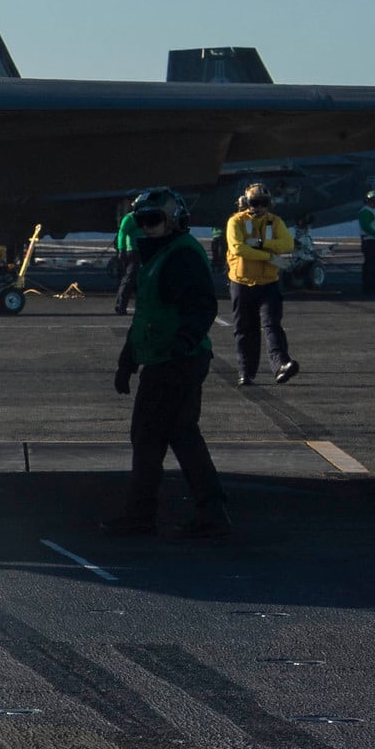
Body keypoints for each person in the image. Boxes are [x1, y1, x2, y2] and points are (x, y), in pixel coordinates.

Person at [102, 189, 229, 539]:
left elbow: (202, 305)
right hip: (166, 359)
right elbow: (147, 314)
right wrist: (127, 361)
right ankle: (211, 511)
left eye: (154, 220)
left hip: (175, 361)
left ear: (174, 220)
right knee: (178, 435)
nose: (147, 228)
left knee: (149, 437)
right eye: (142, 221)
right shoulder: (159, 254)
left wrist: (182, 344)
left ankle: (142, 516)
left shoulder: (181, 255)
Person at [224, 182, 298, 385]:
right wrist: (269, 257)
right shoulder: (235, 222)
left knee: (272, 325)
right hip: (242, 282)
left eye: (263, 203)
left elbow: (287, 244)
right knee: (244, 329)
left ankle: (281, 365)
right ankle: (245, 372)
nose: (258, 207)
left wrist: (259, 244)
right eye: (254, 203)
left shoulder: (275, 222)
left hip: (268, 283)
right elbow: (238, 248)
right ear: (246, 203)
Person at [112, 205, 140, 315]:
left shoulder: (142, 217)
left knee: (137, 279)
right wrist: (121, 249)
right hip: (133, 251)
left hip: (142, 250)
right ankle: (121, 306)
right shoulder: (130, 218)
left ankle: (139, 306)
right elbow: (122, 233)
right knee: (129, 279)